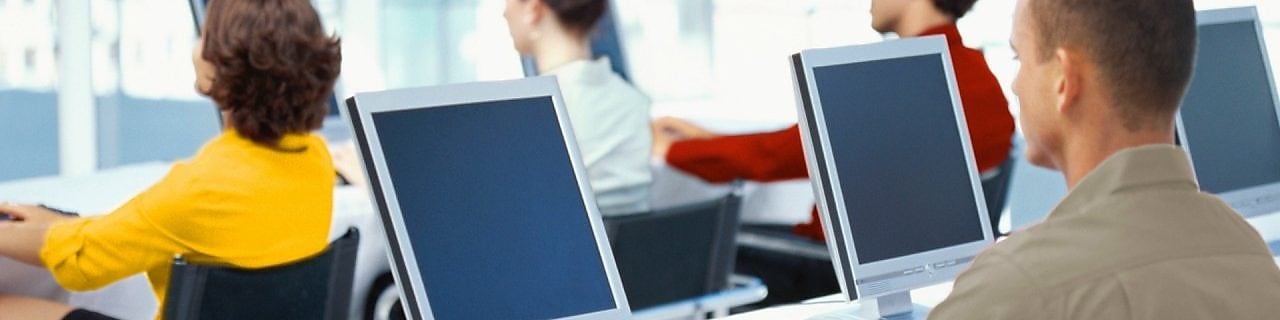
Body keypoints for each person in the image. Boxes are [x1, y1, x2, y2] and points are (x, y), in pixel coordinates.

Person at [929, 0, 1280, 318]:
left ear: (1063, 80)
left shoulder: (1012, 289)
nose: (1016, 84)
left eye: (1019, 58)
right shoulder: (1251, 255)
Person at [0, 0, 341, 319]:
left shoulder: (202, 187)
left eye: (204, 35)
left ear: (226, 64)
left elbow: (83, 257)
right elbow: (135, 228)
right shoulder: (316, 160)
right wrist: (51, 222)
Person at [652, 0, 1014, 242]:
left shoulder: (896, 76)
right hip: (924, 267)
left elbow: (777, 158)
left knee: (698, 242)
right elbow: (803, 144)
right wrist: (705, 137)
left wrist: (670, 150)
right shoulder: (980, 77)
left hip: (834, 271)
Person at [504, 0, 653, 215]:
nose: (504, 13)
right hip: (635, 248)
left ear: (534, 10)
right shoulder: (633, 100)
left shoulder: (529, 113)